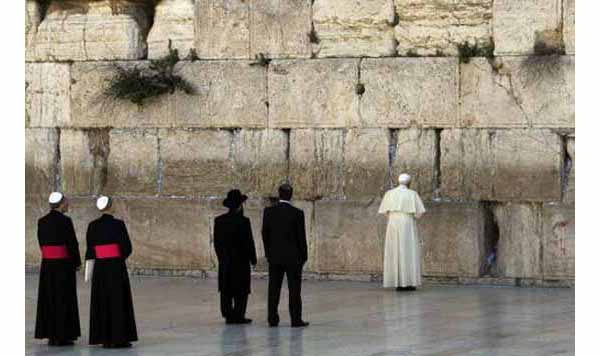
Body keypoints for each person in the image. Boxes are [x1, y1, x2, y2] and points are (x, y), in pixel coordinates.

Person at [85, 196, 137, 348]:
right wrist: (118, 257)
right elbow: (127, 247)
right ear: (110, 207)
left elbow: (90, 250)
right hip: (115, 267)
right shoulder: (118, 224)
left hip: (100, 268)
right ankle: (119, 338)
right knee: (118, 301)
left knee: (102, 300)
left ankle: (104, 337)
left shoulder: (92, 226)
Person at [35, 192, 82, 346]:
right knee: (63, 298)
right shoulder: (66, 221)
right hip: (64, 265)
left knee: (49, 298)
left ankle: (51, 335)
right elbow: (72, 244)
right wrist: (77, 263)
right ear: (61, 204)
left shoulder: (41, 221)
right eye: (66, 202)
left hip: (48, 265)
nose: (68, 205)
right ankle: (63, 335)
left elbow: (41, 243)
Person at [262, 184, 309, 327]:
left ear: (279, 194)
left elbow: (265, 234)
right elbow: (301, 237)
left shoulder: (269, 212)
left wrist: (268, 253)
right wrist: (303, 256)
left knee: (273, 289)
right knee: (294, 289)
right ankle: (295, 319)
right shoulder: (297, 213)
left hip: (275, 257)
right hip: (293, 258)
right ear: (291, 194)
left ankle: (272, 318)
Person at [214, 189, 257, 324]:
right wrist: (253, 258)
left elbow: (217, 243)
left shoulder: (219, 221)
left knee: (226, 289)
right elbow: (249, 242)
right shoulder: (244, 221)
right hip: (241, 262)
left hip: (226, 261)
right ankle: (239, 315)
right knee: (241, 290)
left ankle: (228, 314)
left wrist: (221, 258)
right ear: (240, 205)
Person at [378, 174, 426, 291]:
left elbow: (385, 211)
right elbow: (419, 213)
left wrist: (393, 216)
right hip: (407, 222)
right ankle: (409, 282)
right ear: (409, 182)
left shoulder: (389, 194)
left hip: (393, 223)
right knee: (408, 250)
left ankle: (398, 282)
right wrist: (411, 215)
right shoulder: (412, 194)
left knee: (395, 250)